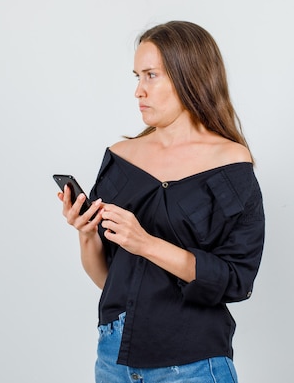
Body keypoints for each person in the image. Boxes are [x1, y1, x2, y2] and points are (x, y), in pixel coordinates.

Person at [57, 20, 265, 383]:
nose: (139, 91)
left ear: (189, 76)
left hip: (190, 362)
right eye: (137, 76)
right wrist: (86, 233)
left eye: (151, 75)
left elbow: (236, 281)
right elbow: (108, 280)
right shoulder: (121, 157)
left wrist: (147, 244)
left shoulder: (231, 165)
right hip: (114, 358)